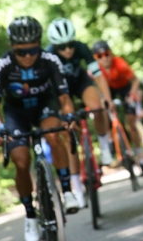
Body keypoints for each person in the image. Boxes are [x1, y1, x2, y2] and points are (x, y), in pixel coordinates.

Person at [0, 16, 79, 241]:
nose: (28, 56)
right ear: (12, 47)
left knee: (53, 135)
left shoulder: (50, 60)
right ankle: (30, 214)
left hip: (44, 106)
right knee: (20, 160)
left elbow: (64, 96)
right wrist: (1, 128)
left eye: (33, 50)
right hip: (15, 114)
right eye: (21, 52)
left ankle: (67, 191)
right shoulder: (3, 65)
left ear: (40, 44)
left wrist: (68, 115)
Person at [45, 18, 115, 207]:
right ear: (55, 46)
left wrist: (107, 99)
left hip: (79, 82)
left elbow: (98, 76)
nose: (68, 50)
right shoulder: (49, 56)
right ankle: (76, 187)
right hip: (60, 92)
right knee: (68, 135)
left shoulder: (82, 48)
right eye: (62, 47)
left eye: (70, 45)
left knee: (98, 107)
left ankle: (103, 143)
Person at [92, 40, 143, 176]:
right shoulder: (95, 70)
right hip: (109, 90)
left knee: (132, 123)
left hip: (125, 89)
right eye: (99, 56)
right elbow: (96, 88)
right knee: (103, 108)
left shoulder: (120, 64)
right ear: (96, 58)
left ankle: (140, 156)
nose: (104, 58)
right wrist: (103, 100)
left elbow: (135, 80)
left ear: (111, 54)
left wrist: (131, 94)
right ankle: (110, 139)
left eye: (106, 54)